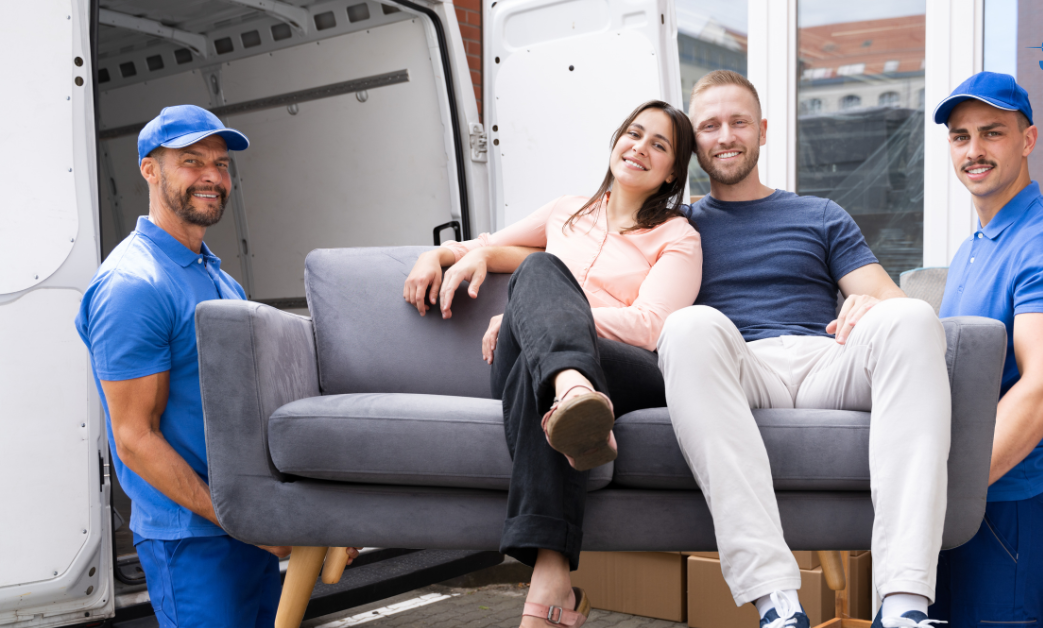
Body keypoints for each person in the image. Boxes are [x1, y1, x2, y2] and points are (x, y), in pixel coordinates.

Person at [655, 70, 952, 628]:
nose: (726, 136)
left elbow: (887, 297)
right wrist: (479, 250)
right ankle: (777, 603)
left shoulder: (819, 214)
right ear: (695, 141)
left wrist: (873, 307)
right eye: (710, 125)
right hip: (741, 370)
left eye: (739, 122)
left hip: (826, 363)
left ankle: (905, 606)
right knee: (688, 326)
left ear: (762, 131)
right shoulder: (675, 225)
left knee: (912, 316)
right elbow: (579, 238)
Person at [403, 100, 701, 628]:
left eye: (660, 144)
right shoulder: (566, 210)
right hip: (556, 370)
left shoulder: (678, 236)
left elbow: (653, 324)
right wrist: (434, 257)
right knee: (540, 264)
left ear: (672, 172)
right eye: (634, 133)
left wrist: (535, 320)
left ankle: (550, 576)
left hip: (625, 369)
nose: (640, 148)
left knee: (537, 309)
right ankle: (569, 393)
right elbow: (488, 245)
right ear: (615, 141)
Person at [75, 105, 358, 627]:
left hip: (242, 527)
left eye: (221, 164)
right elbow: (135, 437)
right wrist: (238, 521)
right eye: (191, 160)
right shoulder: (134, 286)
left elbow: (253, 411)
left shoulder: (219, 280)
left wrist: (301, 510)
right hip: (192, 540)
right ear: (149, 169)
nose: (212, 176)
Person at [929, 72, 1043, 626]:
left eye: (992, 133)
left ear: (1028, 139)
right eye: (960, 136)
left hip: (1008, 506)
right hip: (965, 502)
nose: (974, 150)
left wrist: (948, 489)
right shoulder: (976, 244)